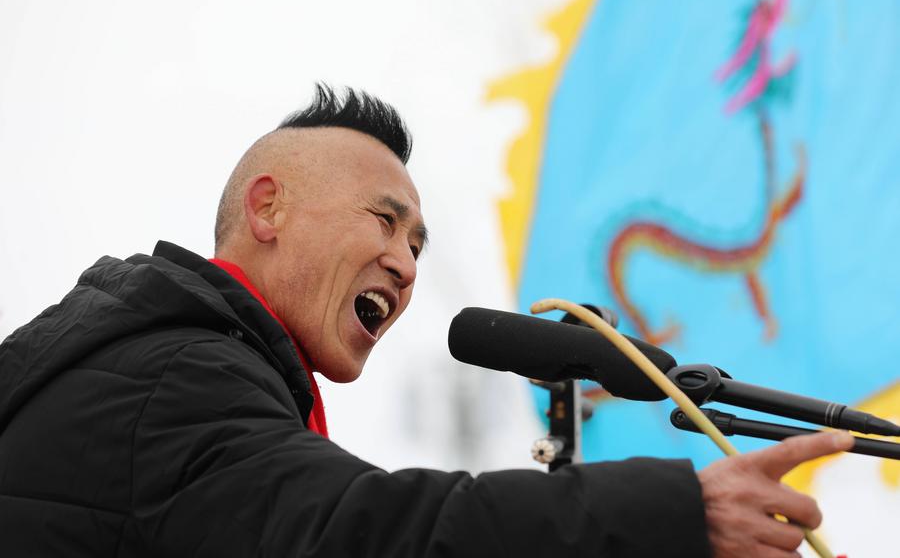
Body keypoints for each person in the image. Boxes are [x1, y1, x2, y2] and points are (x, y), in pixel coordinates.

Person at [0, 84, 851, 557]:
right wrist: (671, 514)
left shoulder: (159, 362)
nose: (407, 267)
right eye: (384, 221)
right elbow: (366, 532)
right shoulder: (173, 375)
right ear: (268, 208)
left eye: (417, 245)